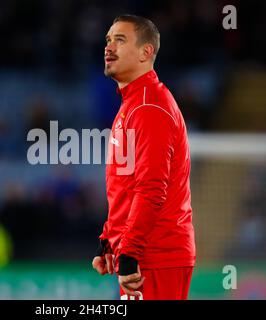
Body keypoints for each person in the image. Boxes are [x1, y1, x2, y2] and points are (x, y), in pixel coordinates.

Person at [92, 15, 196, 300]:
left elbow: (151, 188)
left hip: (156, 256)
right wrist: (109, 242)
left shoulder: (150, 107)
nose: (109, 47)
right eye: (108, 39)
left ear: (146, 52)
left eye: (120, 39)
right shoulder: (134, 105)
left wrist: (129, 253)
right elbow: (125, 186)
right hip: (143, 254)